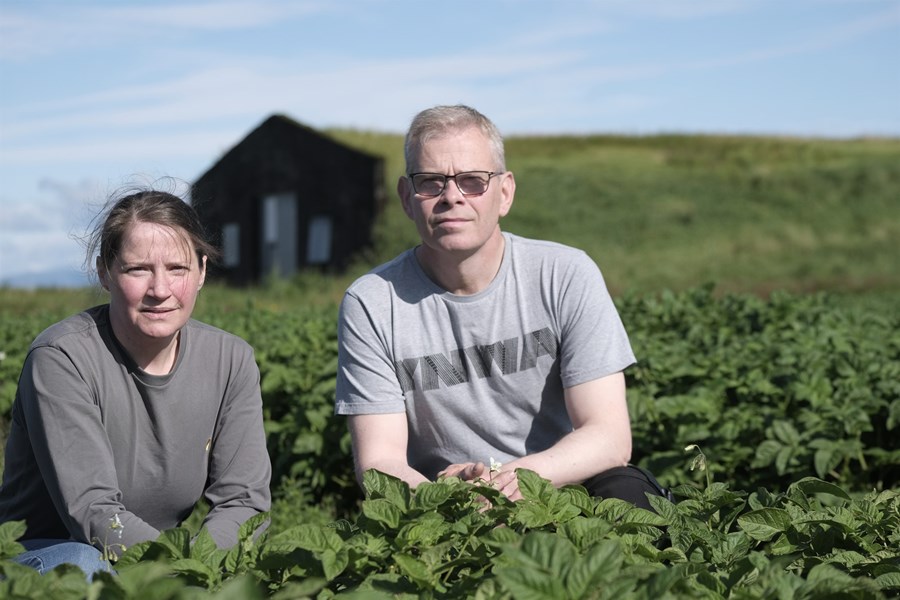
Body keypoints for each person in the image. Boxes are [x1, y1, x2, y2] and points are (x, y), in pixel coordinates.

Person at [335, 105, 669, 509]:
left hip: (560, 488)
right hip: (445, 505)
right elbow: (379, 462)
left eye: (473, 181)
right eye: (431, 183)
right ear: (407, 198)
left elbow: (609, 437)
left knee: (630, 495)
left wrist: (512, 480)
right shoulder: (372, 302)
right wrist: (447, 498)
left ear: (505, 193)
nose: (451, 197)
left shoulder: (564, 274)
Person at [0, 188, 271, 579]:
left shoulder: (230, 361)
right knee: (84, 565)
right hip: (44, 558)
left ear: (202, 272)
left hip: (148, 565)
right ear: (105, 273)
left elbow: (243, 501)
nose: (160, 290)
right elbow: (92, 511)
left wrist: (205, 568)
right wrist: (180, 572)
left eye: (177, 268)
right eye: (138, 269)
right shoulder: (62, 358)